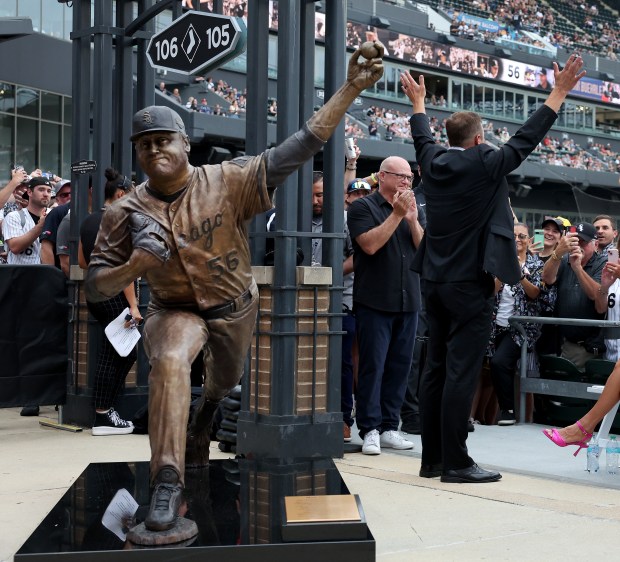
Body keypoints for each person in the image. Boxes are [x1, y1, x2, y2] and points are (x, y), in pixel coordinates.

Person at [84, 42, 385, 532]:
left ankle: (203, 418)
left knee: (221, 387)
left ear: (185, 143)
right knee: (171, 358)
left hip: (235, 308)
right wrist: (134, 266)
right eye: (146, 143)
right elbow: (96, 287)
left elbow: (303, 144)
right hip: (171, 309)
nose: (156, 148)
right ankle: (166, 479)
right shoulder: (124, 211)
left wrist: (350, 88)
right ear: (137, 152)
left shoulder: (226, 180)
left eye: (165, 139)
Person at [400, 53, 585, 483]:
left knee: (436, 369)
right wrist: (558, 92)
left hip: (434, 281)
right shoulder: (484, 163)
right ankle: (458, 462)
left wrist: (418, 104)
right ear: (480, 137)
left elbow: (421, 138)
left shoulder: (433, 162)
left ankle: (433, 460)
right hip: (470, 284)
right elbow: (526, 139)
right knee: (461, 372)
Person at [347, 156, 424, 455]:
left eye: (410, 177)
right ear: (382, 176)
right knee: (372, 367)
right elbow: (369, 245)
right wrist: (396, 215)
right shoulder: (362, 207)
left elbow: (424, 250)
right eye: (400, 176)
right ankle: (370, 429)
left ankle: (391, 426)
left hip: (409, 301)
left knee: (400, 368)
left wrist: (413, 220)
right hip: (374, 301)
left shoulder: (413, 209)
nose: (406, 181)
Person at [78, 168, 139, 435]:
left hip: (95, 294)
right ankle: (103, 415)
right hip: (114, 295)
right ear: (121, 194)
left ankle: (107, 410)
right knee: (114, 354)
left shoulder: (89, 221)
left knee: (124, 352)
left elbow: (82, 262)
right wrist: (134, 306)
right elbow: (123, 266)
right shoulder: (119, 220)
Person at [488, 223, 551, 426]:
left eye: (522, 236)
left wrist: (518, 273)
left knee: (499, 362)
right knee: (490, 369)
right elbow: (492, 291)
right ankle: (486, 415)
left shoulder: (536, 265)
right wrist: (504, 269)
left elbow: (535, 294)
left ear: (528, 240)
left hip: (520, 328)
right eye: (513, 235)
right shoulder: (497, 261)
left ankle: (508, 410)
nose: (517, 239)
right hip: (494, 325)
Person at [541, 222, 606, 369]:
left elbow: (596, 295)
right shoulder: (564, 259)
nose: (578, 245)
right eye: (575, 241)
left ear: (596, 245)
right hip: (564, 342)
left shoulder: (602, 262)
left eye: (584, 241)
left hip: (590, 345)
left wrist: (578, 269)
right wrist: (558, 253)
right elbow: (547, 278)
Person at [2, 177, 52, 265]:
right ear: (29, 192)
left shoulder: (54, 215)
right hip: (21, 275)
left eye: (49, 191)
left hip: (48, 274)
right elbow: (15, 247)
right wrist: (40, 226)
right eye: (41, 190)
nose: (46, 194)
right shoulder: (14, 216)